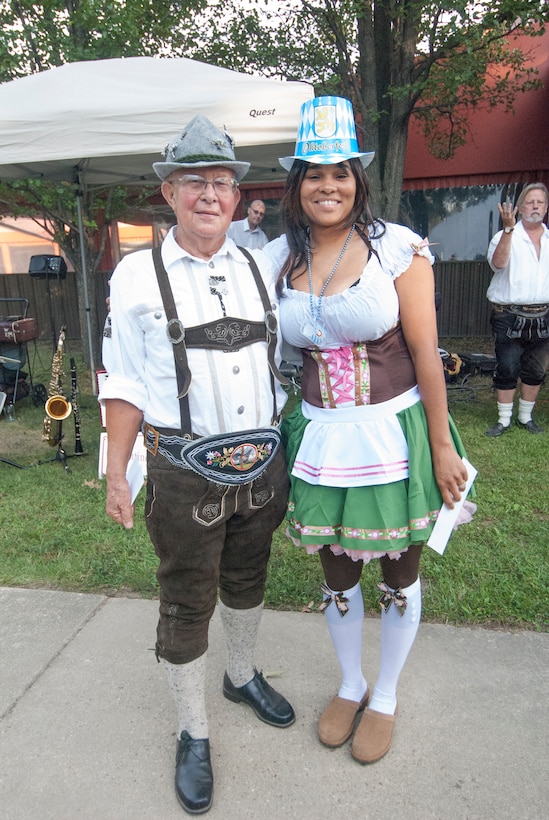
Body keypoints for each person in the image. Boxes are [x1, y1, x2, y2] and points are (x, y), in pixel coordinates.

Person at [99, 114, 294, 815]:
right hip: (183, 472)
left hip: (261, 465)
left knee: (249, 578)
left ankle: (240, 675)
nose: (208, 195)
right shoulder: (136, 275)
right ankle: (193, 730)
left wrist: (403, 248)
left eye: (220, 182)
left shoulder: (261, 262)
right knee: (187, 600)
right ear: (170, 193)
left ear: (237, 197)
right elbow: (120, 381)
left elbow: (345, 251)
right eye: (193, 182)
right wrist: (119, 471)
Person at [270, 95, 471, 765]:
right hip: (319, 438)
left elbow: (425, 354)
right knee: (334, 574)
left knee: (397, 572)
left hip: (392, 436)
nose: (327, 186)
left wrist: (442, 448)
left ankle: (384, 692)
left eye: (340, 173)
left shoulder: (396, 248)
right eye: (313, 174)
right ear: (295, 184)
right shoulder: (276, 258)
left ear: (357, 179)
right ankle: (349, 683)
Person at [485, 183, 549, 436]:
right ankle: (503, 420)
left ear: (546, 208)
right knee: (508, 366)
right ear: (520, 207)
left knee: (536, 369)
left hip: (543, 312)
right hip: (508, 313)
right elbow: (498, 264)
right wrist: (508, 229)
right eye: (530, 202)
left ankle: (525, 417)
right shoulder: (504, 236)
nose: (535, 206)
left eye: (540, 202)